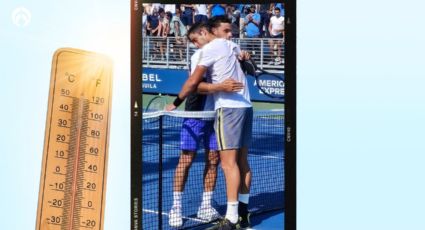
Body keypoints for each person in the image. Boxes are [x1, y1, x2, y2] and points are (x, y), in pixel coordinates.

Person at [166, 20, 253, 230]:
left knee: (215, 161)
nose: (195, 45)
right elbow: (194, 86)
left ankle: (207, 206)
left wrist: (244, 58)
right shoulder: (200, 54)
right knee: (186, 160)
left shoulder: (230, 47)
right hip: (196, 114)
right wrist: (176, 102)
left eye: (196, 40)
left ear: (205, 33)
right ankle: (176, 207)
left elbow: (243, 71)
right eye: (225, 31)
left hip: (218, 115)